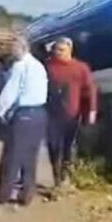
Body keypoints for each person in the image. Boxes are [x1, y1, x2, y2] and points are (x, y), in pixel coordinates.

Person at [0, 36, 48, 206]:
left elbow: (10, 93)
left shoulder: (20, 67)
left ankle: (2, 196)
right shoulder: (38, 65)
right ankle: (26, 195)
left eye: (12, 49)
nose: (11, 53)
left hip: (24, 115)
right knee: (30, 157)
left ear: (20, 49)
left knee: (11, 157)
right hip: (40, 114)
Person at [45, 36, 98, 190]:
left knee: (69, 147)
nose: (58, 53)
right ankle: (56, 177)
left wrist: (91, 111)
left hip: (72, 115)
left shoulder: (81, 68)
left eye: (62, 50)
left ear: (70, 51)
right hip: (51, 114)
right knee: (53, 146)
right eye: (56, 49)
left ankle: (65, 177)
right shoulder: (47, 66)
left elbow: (90, 91)